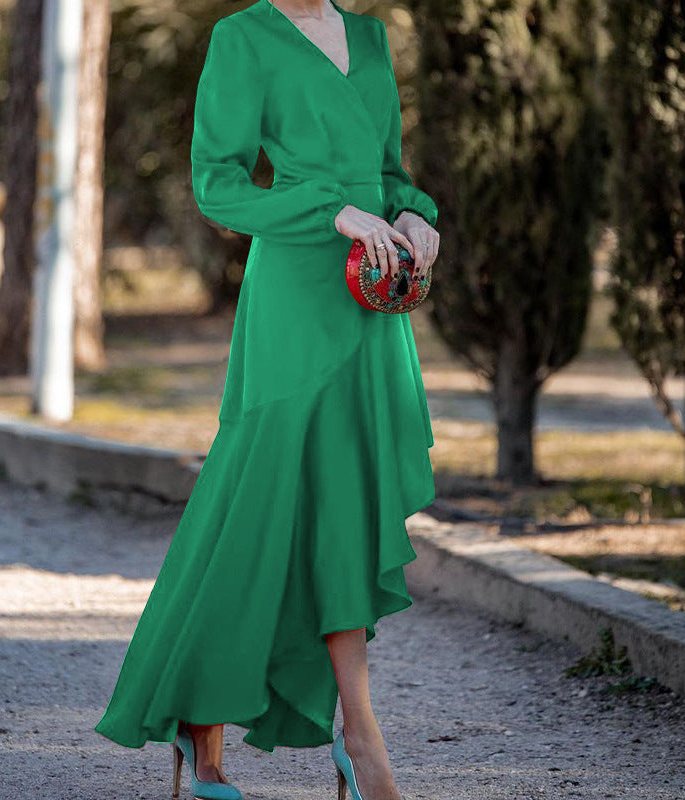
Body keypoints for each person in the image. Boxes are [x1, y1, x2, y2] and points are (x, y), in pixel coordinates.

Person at [94, 1, 441, 799]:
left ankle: (359, 732)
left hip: (369, 301)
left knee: (346, 507)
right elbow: (217, 184)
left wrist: (413, 215)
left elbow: (386, 171)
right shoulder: (240, 37)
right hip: (293, 294)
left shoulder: (369, 36)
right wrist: (331, 212)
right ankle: (197, 714)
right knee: (257, 505)